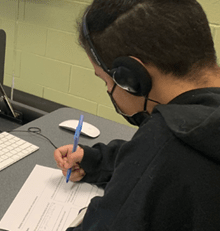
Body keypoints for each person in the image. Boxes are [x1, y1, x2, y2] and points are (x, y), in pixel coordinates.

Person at [54, 0, 220, 230]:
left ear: (131, 77)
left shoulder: (169, 139)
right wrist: (97, 161)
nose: (108, 90)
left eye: (105, 81)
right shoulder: (198, 133)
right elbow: (159, 167)